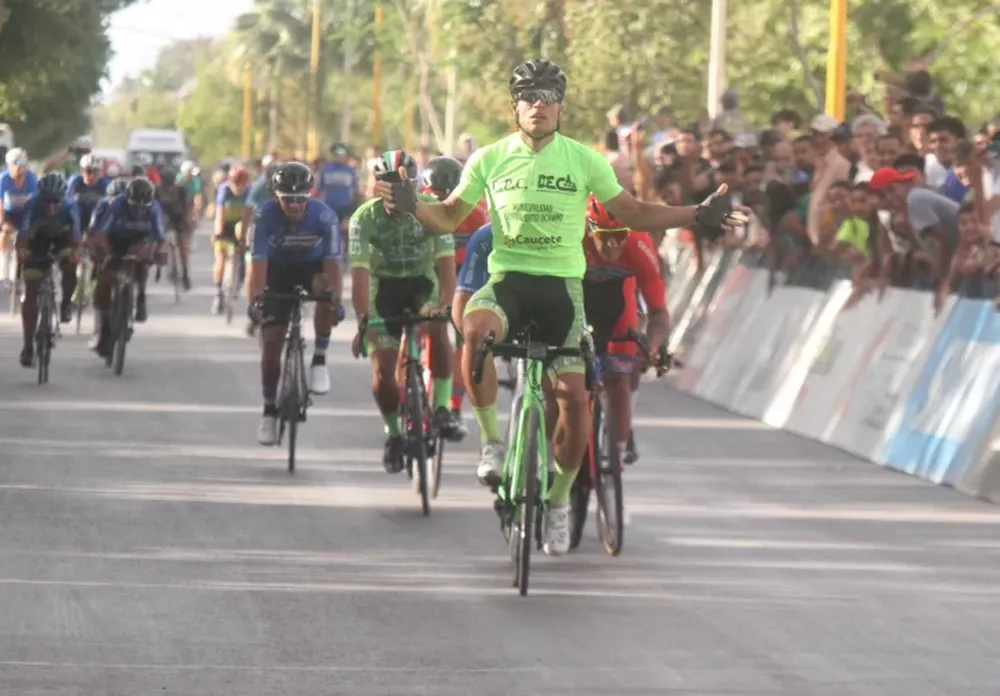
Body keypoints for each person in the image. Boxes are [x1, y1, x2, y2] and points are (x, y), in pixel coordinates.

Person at [375, 58, 742, 556]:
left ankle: (560, 500)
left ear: (561, 107)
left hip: (561, 289)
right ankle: (491, 443)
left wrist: (695, 214)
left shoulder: (584, 159)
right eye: (529, 97)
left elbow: (631, 212)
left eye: (548, 97)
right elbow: (446, 217)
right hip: (509, 282)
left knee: (574, 396)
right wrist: (408, 202)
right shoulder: (489, 157)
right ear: (515, 107)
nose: (539, 105)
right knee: (476, 330)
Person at [349, 150, 458, 472]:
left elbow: (447, 268)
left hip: (423, 283)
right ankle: (394, 434)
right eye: (388, 185)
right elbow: (360, 275)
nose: (396, 192)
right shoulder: (364, 219)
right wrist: (363, 320)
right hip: (384, 289)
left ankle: (441, 406)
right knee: (383, 373)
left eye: (402, 185)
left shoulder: (433, 210)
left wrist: (444, 305)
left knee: (438, 326)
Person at [247, 162, 342, 445]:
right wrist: (256, 301)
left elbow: (333, 264)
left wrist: (334, 300)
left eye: (301, 199)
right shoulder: (264, 215)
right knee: (272, 339)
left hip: (311, 268)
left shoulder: (325, 217)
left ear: (310, 195)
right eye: (288, 199)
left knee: (326, 292)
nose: (295, 205)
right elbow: (258, 265)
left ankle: (319, 360)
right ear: (275, 195)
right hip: (276, 271)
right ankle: (268, 411)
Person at [582, 196, 669, 479]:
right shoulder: (572, 237)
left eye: (619, 236)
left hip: (618, 303)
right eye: (605, 237)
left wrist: (654, 346)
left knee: (620, 373)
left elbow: (658, 312)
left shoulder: (637, 244)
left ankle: (616, 460)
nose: (612, 245)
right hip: (578, 300)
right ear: (590, 228)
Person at [420, 155, 489, 439]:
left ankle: (453, 405)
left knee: (467, 338)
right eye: (437, 196)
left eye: (451, 197)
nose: (444, 203)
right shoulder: (419, 206)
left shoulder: (476, 212)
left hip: (466, 273)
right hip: (430, 270)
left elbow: (488, 255)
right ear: (426, 191)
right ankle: (413, 387)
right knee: (422, 326)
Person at [88, 178, 164, 357]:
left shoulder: (154, 208)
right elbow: (101, 235)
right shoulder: (117, 205)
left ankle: (140, 298)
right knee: (105, 280)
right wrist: (107, 255)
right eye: (134, 207)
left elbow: (159, 239)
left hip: (140, 239)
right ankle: (104, 327)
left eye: (142, 207)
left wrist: (155, 254)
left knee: (143, 261)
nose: (139, 211)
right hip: (116, 240)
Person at [16, 173, 81, 365]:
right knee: (31, 293)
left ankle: (66, 301)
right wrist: (22, 252)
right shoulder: (31, 206)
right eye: (47, 201)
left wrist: (76, 254)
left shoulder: (70, 207)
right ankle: (28, 345)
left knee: (69, 263)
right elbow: (23, 239)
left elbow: (77, 241)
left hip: (63, 239)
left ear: (63, 198)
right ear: (40, 197)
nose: (52, 206)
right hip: (38, 241)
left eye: (56, 201)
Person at [211, 166, 251, 314]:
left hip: (241, 224)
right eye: (235, 183)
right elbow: (219, 213)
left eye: (241, 183)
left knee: (242, 233)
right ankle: (218, 292)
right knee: (220, 258)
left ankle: (238, 284)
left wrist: (246, 239)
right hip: (225, 224)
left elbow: (248, 215)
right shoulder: (224, 190)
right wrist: (218, 233)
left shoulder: (249, 192)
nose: (238, 187)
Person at [0, 148, 39, 288]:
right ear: (9, 165)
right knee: (5, 233)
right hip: (9, 213)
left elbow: (36, 201)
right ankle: (3, 269)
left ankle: (19, 273)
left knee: (25, 240)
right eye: (15, 164)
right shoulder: (3, 178)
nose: (19, 168)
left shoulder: (31, 178)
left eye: (22, 164)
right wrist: (2, 222)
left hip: (25, 212)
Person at [155, 168, 192, 289]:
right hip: (163, 218)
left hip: (178, 218)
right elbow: (153, 208)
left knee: (182, 244)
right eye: (166, 185)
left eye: (170, 185)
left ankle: (185, 273)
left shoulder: (181, 190)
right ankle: (159, 264)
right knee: (158, 241)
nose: (169, 188)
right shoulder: (157, 190)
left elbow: (187, 207)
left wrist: (188, 220)